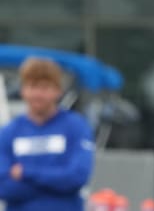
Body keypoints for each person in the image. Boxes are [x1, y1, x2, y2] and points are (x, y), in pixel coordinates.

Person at [0, 57, 95, 211]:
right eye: (32, 87)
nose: (38, 94)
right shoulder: (9, 132)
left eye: (44, 88)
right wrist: (56, 185)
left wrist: (25, 172)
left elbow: (77, 177)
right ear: (23, 90)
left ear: (58, 91)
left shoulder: (76, 126)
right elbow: (3, 187)